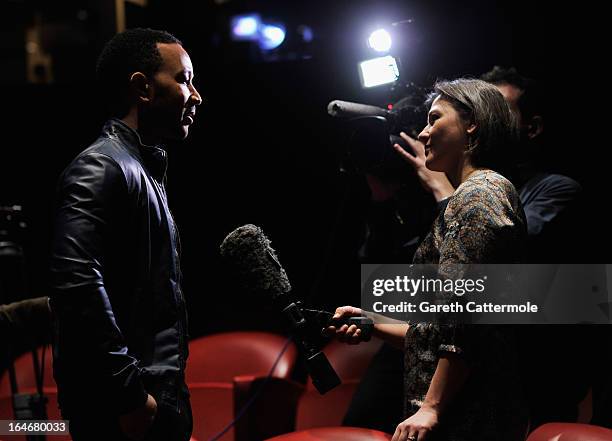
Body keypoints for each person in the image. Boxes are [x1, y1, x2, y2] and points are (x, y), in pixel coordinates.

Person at [329, 78, 528, 441]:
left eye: (434, 119)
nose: (422, 134)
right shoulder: (474, 196)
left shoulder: (479, 197)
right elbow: (436, 331)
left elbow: (466, 317)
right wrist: (371, 323)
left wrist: (432, 406)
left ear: (471, 124)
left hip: (471, 419)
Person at [49, 28, 202, 441]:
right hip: (127, 409)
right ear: (143, 88)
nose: (196, 95)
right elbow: (75, 283)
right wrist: (130, 396)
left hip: (153, 399)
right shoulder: (101, 167)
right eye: (184, 79)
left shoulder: (140, 167)